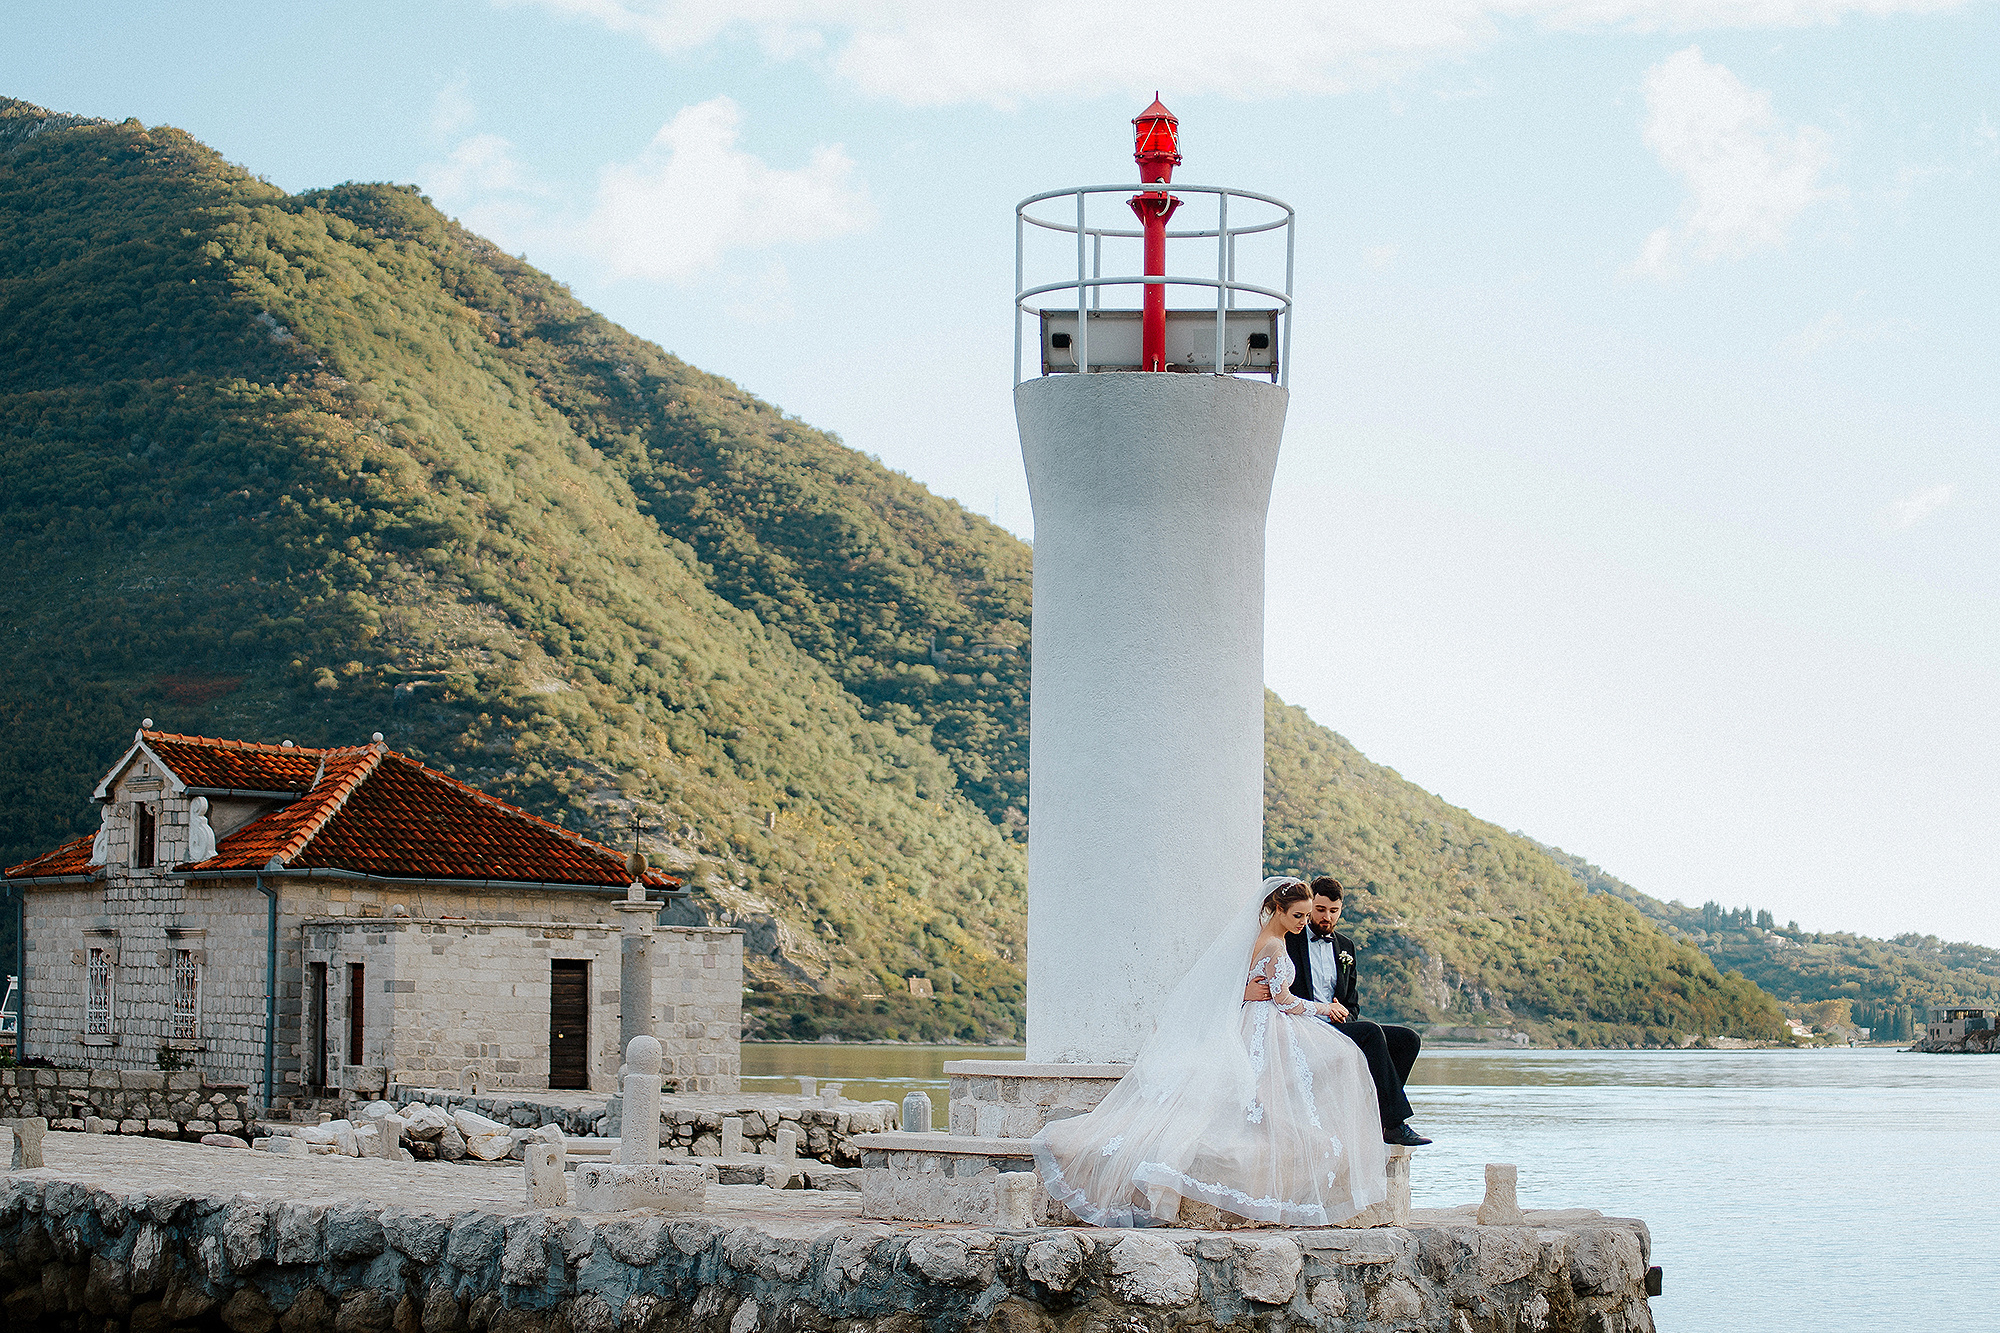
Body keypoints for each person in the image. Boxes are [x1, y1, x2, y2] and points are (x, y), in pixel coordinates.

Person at [1032, 877, 1389, 1227]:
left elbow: (1239, 982)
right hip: (1268, 1021)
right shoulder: (1276, 946)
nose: (1303, 922)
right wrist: (1325, 1010)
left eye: (1305, 916)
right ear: (1278, 910)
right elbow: (1284, 1000)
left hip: (1254, 1017)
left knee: (1281, 1075)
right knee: (1336, 1059)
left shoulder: (1259, 938)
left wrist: (1246, 992)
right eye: (1298, 915)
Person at [1280, 876, 1431, 1147]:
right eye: (1321, 909)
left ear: (1341, 910)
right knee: (1371, 1032)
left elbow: (1353, 1002)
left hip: (1337, 1023)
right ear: (1311, 905)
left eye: (1333, 911)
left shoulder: (1346, 947)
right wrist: (1324, 1010)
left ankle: (1374, 1112)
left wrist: (1345, 1013)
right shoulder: (1290, 940)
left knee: (1409, 1039)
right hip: (1304, 1024)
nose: (1326, 916)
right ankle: (1393, 1124)